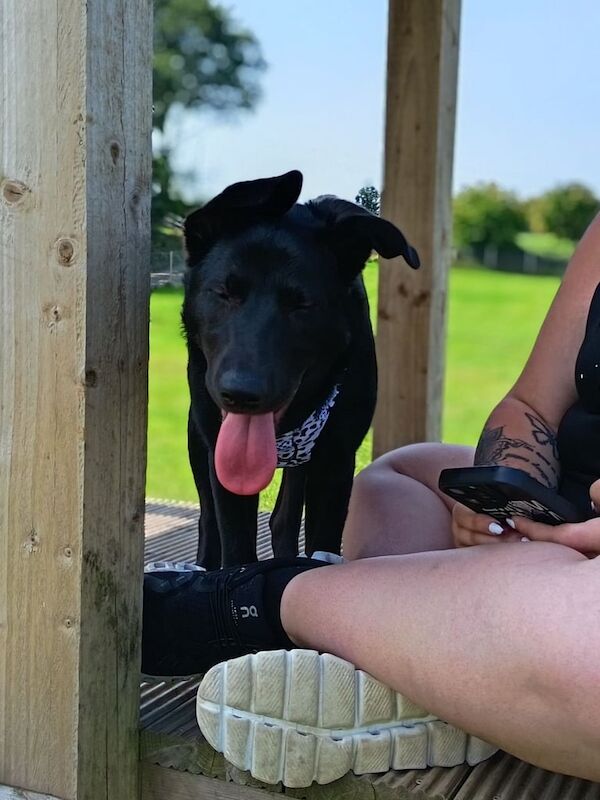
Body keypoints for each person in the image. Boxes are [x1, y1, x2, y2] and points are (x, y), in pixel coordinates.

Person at [143, 215, 600, 785]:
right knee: (396, 475)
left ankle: (272, 603)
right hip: (557, 507)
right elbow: (532, 404)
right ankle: (464, 675)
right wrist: (507, 501)